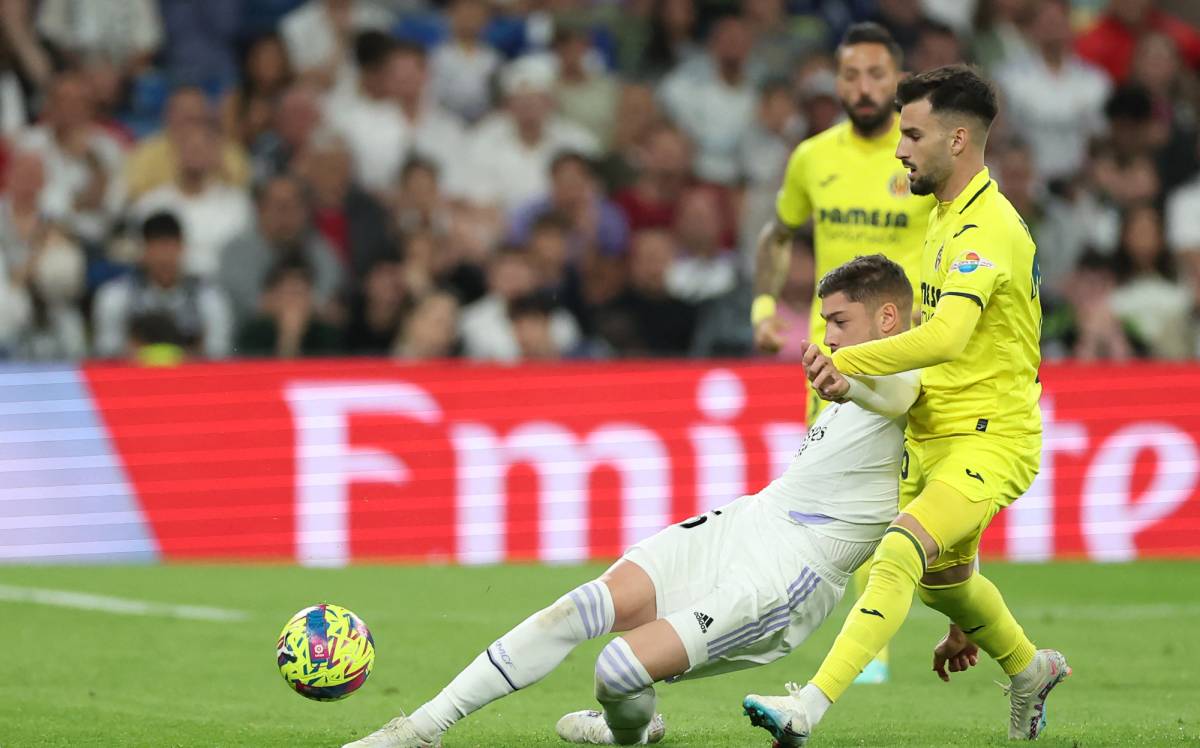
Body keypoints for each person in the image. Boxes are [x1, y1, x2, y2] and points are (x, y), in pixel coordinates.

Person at [342, 255, 922, 748]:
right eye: (827, 323)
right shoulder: (853, 371)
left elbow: (900, 396)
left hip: (788, 576)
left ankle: (628, 733)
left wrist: (849, 382)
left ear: (888, 317)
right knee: (577, 608)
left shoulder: (914, 377)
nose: (830, 336)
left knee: (616, 669)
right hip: (748, 520)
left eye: (840, 322)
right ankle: (420, 729)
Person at [742, 65, 1069, 747]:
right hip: (934, 435)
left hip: (988, 439)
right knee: (944, 587)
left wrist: (846, 359)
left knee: (897, 553)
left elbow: (946, 338)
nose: (899, 149)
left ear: (956, 141)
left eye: (913, 134)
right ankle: (1028, 668)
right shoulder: (947, 218)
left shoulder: (986, 230)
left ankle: (808, 708)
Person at [751, 22, 936, 683]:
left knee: (912, 494)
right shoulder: (812, 157)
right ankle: (854, 639)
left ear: (898, 79)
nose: (864, 87)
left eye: (877, 75)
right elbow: (780, 234)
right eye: (852, 75)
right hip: (835, 356)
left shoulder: (922, 155)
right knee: (838, 501)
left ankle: (892, 639)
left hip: (913, 352)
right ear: (836, 82)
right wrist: (766, 306)